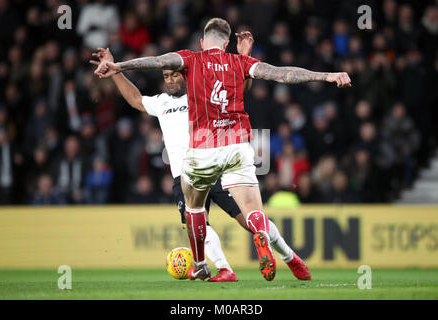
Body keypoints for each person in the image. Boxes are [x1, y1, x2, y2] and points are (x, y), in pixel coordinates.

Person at [93, 17, 350, 281]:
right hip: (237, 145)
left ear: (202, 43)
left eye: (173, 73)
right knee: (254, 215)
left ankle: (202, 264)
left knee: (194, 210)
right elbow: (282, 73)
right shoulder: (236, 64)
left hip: (203, 151)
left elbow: (157, 60)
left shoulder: (191, 61)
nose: (169, 77)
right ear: (227, 43)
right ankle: (265, 258)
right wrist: (328, 75)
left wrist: (120, 64)